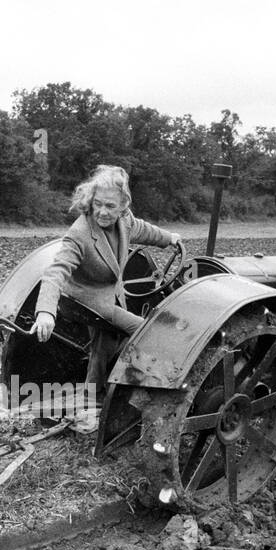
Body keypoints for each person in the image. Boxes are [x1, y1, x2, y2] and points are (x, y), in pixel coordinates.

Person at [33, 165, 181, 433]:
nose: (102, 211)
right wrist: (45, 311)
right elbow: (56, 272)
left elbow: (143, 230)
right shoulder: (80, 233)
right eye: (98, 204)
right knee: (145, 330)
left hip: (109, 295)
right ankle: (139, 395)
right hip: (84, 301)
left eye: (110, 206)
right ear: (90, 200)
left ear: (123, 205)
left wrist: (170, 238)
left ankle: (96, 400)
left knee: (105, 344)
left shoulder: (124, 221)